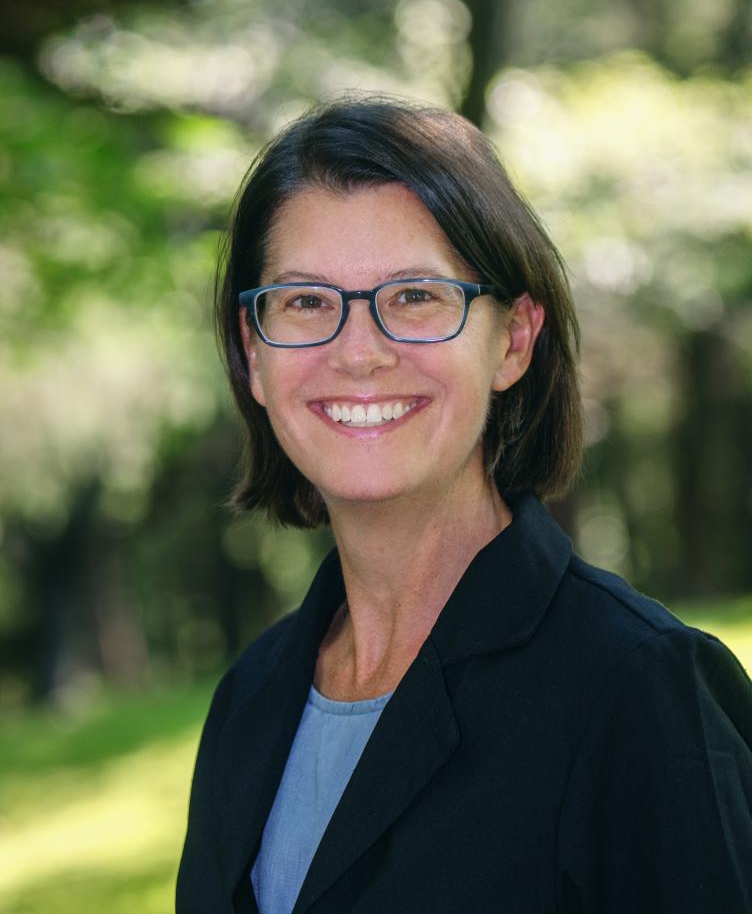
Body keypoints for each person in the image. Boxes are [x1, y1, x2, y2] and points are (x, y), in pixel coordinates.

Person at [176, 97, 752, 914]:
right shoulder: (250, 697)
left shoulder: (639, 691)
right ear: (253, 354)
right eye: (305, 301)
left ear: (514, 340)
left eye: (414, 295)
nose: (360, 353)